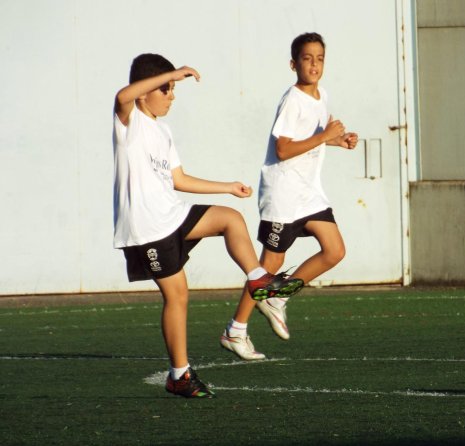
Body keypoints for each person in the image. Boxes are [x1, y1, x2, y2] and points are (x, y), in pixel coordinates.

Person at [112, 53, 304, 398]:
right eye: (166, 89)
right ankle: (180, 375)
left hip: (172, 215)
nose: (172, 96)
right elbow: (123, 96)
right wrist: (173, 73)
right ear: (146, 92)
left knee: (231, 218)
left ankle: (258, 280)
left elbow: (179, 179)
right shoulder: (129, 122)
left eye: (172, 89)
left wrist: (227, 186)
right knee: (178, 295)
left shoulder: (162, 130)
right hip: (147, 229)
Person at [220, 33, 358, 360]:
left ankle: (279, 298)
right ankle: (235, 330)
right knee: (269, 266)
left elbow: (310, 138)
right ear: (293, 64)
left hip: (308, 192)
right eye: (307, 58)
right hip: (283, 191)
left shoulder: (322, 95)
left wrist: (338, 141)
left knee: (335, 250)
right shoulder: (292, 99)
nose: (314, 64)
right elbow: (283, 148)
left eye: (320, 58)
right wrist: (326, 135)